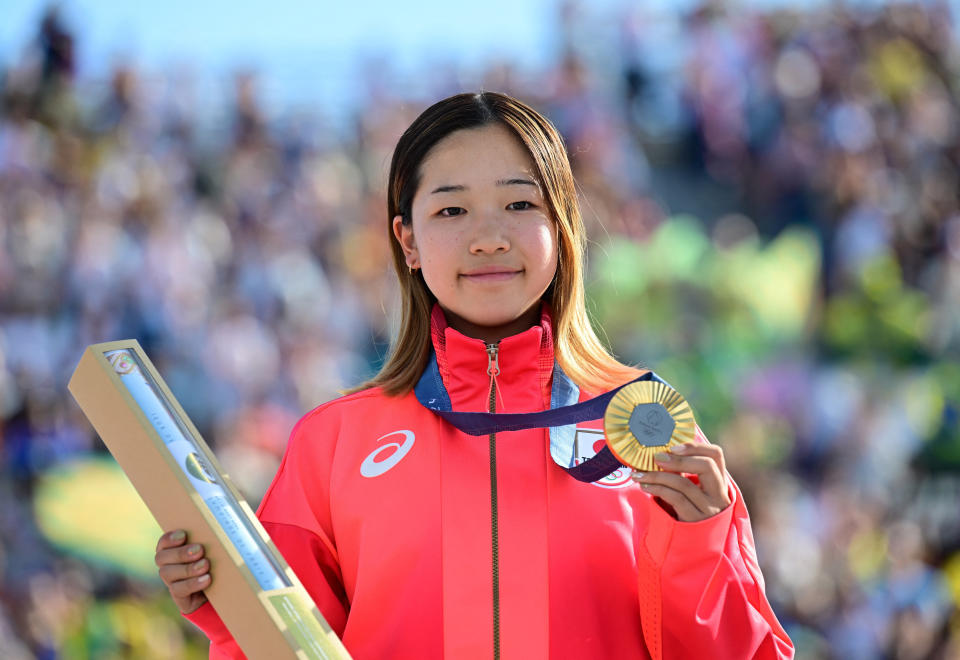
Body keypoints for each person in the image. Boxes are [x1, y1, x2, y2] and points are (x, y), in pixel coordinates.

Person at [154, 92, 794, 659]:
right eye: (452, 212)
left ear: (562, 226)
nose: (488, 238)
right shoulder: (333, 443)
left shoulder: (644, 420)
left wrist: (701, 546)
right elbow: (282, 645)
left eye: (519, 203)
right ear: (407, 241)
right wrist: (225, 601)